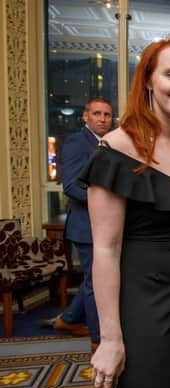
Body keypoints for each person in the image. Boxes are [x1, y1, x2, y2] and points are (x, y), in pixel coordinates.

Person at [80, 37, 170, 388]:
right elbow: (104, 249)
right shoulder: (115, 148)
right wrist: (110, 338)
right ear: (149, 81)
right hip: (142, 298)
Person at [42, 97, 112, 343]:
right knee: (96, 284)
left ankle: (69, 319)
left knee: (96, 279)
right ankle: (97, 338)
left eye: (107, 115)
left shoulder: (109, 144)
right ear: (85, 116)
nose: (103, 119)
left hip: (106, 228)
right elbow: (70, 186)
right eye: (97, 114)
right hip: (86, 227)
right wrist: (107, 203)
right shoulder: (75, 142)